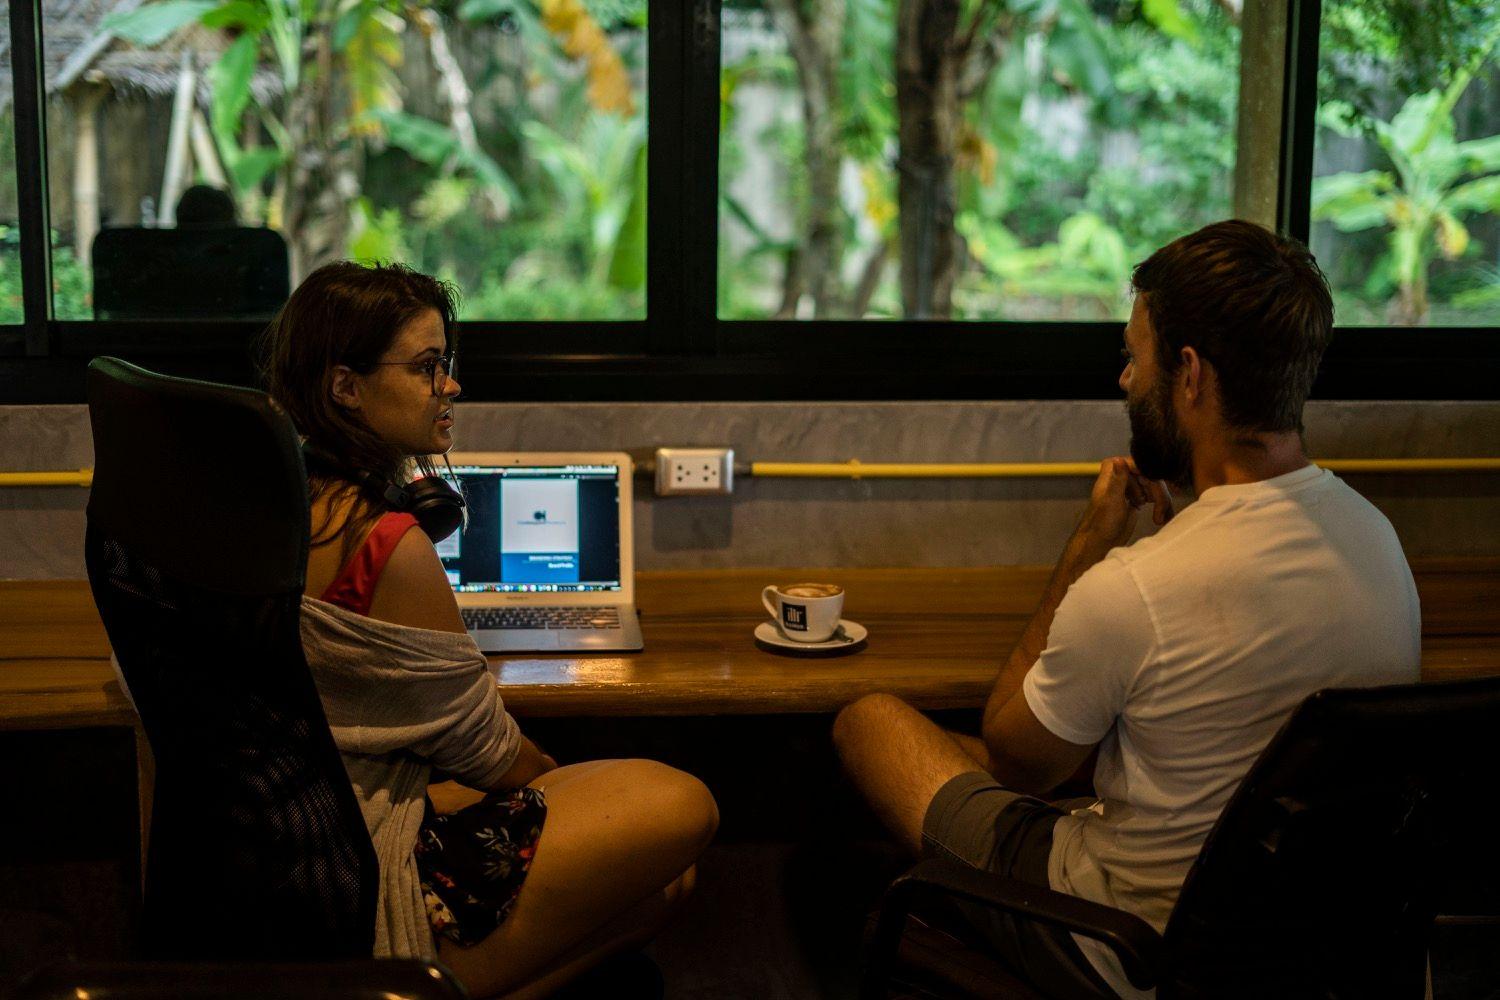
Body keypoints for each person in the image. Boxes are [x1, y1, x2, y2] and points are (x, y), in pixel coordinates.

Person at [832, 220, 1421, 998]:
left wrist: (1088, 548)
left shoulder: (1134, 588)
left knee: (871, 719)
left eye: (1132, 354)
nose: (1123, 380)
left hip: (1134, 953)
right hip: (1316, 951)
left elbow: (1019, 764)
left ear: (1188, 374)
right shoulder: (1378, 542)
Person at [259, 261, 718, 999]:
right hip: (367, 888)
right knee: (680, 819)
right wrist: (568, 797)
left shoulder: (257, 512)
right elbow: (496, 758)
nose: (452, 387)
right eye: (427, 368)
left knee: (653, 886)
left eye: (449, 365)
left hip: (279, 850)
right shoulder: (384, 546)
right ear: (346, 387)